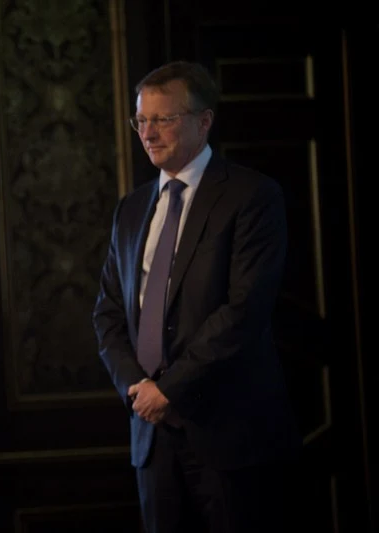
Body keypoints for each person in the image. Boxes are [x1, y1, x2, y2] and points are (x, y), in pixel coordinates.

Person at [92, 61, 300, 532]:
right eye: (141, 120)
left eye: (163, 119)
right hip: (151, 437)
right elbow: (107, 313)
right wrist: (137, 389)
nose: (148, 132)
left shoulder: (251, 196)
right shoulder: (130, 210)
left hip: (229, 436)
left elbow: (243, 312)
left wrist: (170, 388)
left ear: (203, 121)